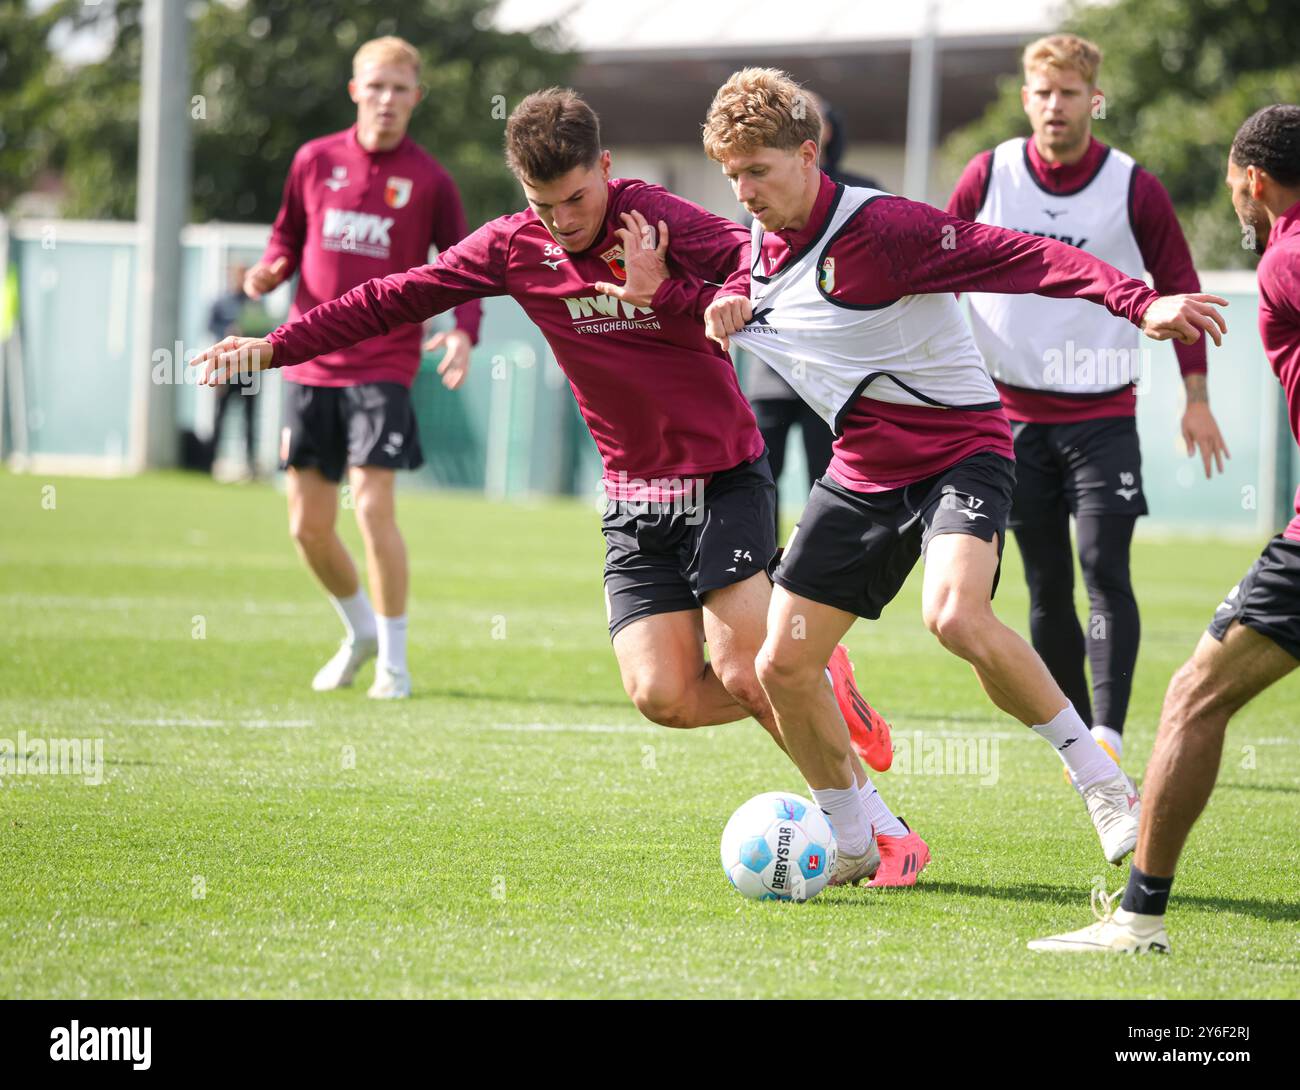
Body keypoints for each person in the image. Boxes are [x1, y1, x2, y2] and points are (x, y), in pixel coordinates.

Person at [194, 89, 921, 887]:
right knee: (662, 695)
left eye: (578, 198)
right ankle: (821, 680)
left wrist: (695, 293)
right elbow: (394, 295)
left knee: (749, 673)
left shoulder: (655, 220)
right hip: (634, 500)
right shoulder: (513, 248)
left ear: (605, 168)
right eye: (545, 205)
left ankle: (882, 832)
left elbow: (759, 263)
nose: (566, 220)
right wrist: (276, 345)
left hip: (722, 478)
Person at [700, 67, 1229, 882]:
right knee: (781, 667)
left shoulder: (888, 231)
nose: (744, 191)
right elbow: (733, 277)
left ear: (809, 155)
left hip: (961, 451)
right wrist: (718, 298)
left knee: (952, 615)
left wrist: (1138, 302)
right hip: (865, 468)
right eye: (731, 176)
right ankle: (850, 839)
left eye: (758, 172)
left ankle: (1104, 782)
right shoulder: (758, 251)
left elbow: (1026, 256)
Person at [1030, 104, 1300, 954]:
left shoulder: (1289, 255)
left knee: (1194, 697)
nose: (1237, 204)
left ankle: (1139, 920)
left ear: (1252, 180)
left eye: (1233, 187)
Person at [947, 34, 1229, 769]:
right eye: (1043, 94)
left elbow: (1179, 284)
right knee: (1045, 581)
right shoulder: (990, 174)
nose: (1055, 107)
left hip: (1102, 413)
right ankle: (1078, 738)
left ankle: (1110, 729)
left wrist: (1196, 396)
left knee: (1104, 566)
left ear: (1092, 100)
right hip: (1009, 419)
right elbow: (938, 266)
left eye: (1069, 94)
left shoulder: (1134, 185)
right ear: (1025, 100)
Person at [241, 36, 483, 699]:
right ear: (355, 91)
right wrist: (270, 268)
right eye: (374, 86)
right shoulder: (314, 161)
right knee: (307, 527)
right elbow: (287, 235)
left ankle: (394, 663)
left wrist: (464, 331)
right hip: (309, 363)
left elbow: (464, 265)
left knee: (373, 506)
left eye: (400, 88)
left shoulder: (430, 179)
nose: (386, 99)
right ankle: (359, 630)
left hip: (384, 364)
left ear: (417, 97)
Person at [742, 94, 879, 552]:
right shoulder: (758, 198)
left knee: (831, 480)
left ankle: (818, 573)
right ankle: (759, 567)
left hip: (832, 371)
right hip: (773, 368)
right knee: (758, 475)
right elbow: (740, 271)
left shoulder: (862, 194)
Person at [207, 263, 267, 480]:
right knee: (219, 416)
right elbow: (209, 326)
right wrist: (227, 332)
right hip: (226, 370)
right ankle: (210, 462)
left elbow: (265, 331)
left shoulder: (254, 303)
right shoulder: (220, 302)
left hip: (249, 371)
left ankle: (250, 467)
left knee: (249, 419)